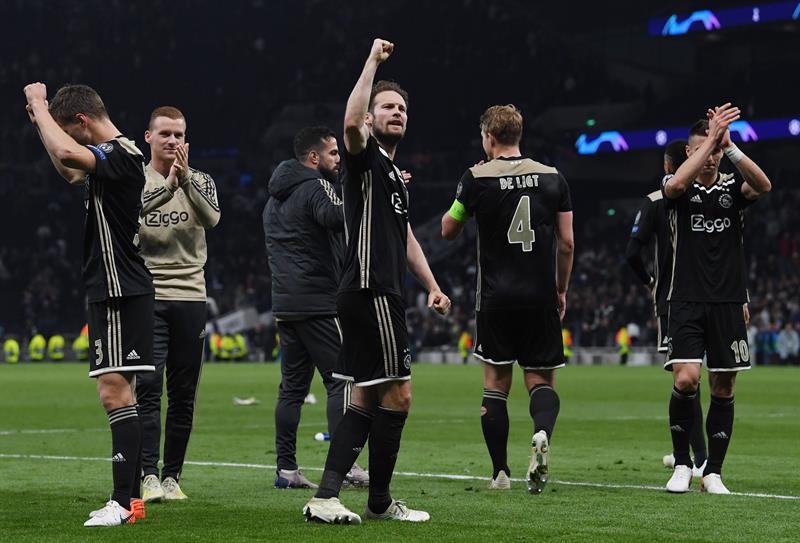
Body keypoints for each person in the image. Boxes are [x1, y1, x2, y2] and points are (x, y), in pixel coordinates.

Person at [303, 39, 451, 525]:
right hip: (371, 291)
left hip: (374, 291)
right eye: (387, 106)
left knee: (366, 396)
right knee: (400, 395)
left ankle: (328, 495)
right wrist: (371, 63)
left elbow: (405, 236)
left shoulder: (390, 174)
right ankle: (380, 500)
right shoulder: (363, 160)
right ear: (370, 118)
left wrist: (431, 283)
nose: (398, 112)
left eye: (403, 108)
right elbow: (348, 124)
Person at [24, 83, 154, 526]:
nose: (71, 140)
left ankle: (121, 502)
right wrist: (43, 122)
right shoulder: (109, 160)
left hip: (119, 289)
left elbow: (67, 157)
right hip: (114, 288)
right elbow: (69, 169)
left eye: (70, 131)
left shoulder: (121, 154)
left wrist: (41, 106)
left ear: (82, 122)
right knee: (122, 393)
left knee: (113, 391)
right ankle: (132, 503)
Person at [441, 104, 574, 494]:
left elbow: (448, 229)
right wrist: (561, 289)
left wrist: (463, 197)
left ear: (489, 138)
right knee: (540, 381)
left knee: (496, 384)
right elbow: (567, 243)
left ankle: (500, 472)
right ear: (520, 135)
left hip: (496, 300)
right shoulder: (553, 178)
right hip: (540, 298)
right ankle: (542, 433)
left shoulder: (476, 178)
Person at [663, 104, 771, 494]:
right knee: (687, 378)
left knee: (723, 388)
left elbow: (763, 186)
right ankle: (681, 464)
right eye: (701, 149)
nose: (709, 156)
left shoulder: (730, 188)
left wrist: (730, 147)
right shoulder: (675, 186)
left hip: (727, 301)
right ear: (689, 153)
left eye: (713, 151)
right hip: (687, 299)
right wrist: (710, 138)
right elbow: (675, 186)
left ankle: (713, 472)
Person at [263, 125, 368, 490]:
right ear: (313, 158)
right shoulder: (315, 185)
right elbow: (334, 216)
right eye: (334, 153)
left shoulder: (275, 197)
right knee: (343, 379)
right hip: (318, 302)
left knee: (292, 388)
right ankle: (347, 466)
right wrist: (364, 192)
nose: (338, 159)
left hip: (286, 303)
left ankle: (286, 469)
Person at [136, 106, 220, 503]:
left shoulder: (201, 180)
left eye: (179, 135)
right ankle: (148, 475)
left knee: (184, 392)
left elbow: (212, 219)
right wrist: (168, 187)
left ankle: (172, 477)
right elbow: (131, 219)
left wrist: (185, 183)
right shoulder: (135, 179)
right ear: (148, 137)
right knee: (149, 387)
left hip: (191, 296)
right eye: (165, 133)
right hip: (149, 295)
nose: (173, 141)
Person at [625, 140, 708, 477]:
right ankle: (697, 456)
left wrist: (649, 280)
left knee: (685, 380)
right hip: (709, 296)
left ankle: (695, 458)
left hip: (672, 300)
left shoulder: (656, 201)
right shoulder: (704, 198)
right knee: (694, 379)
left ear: (666, 167)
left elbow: (632, 252)